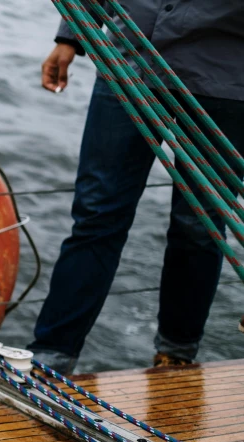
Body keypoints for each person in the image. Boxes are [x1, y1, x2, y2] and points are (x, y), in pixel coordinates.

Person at [30, 2, 244, 374]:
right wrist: (70, 35)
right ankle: (51, 355)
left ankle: (176, 355)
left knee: (200, 227)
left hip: (221, 76)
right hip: (127, 62)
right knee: (96, 215)